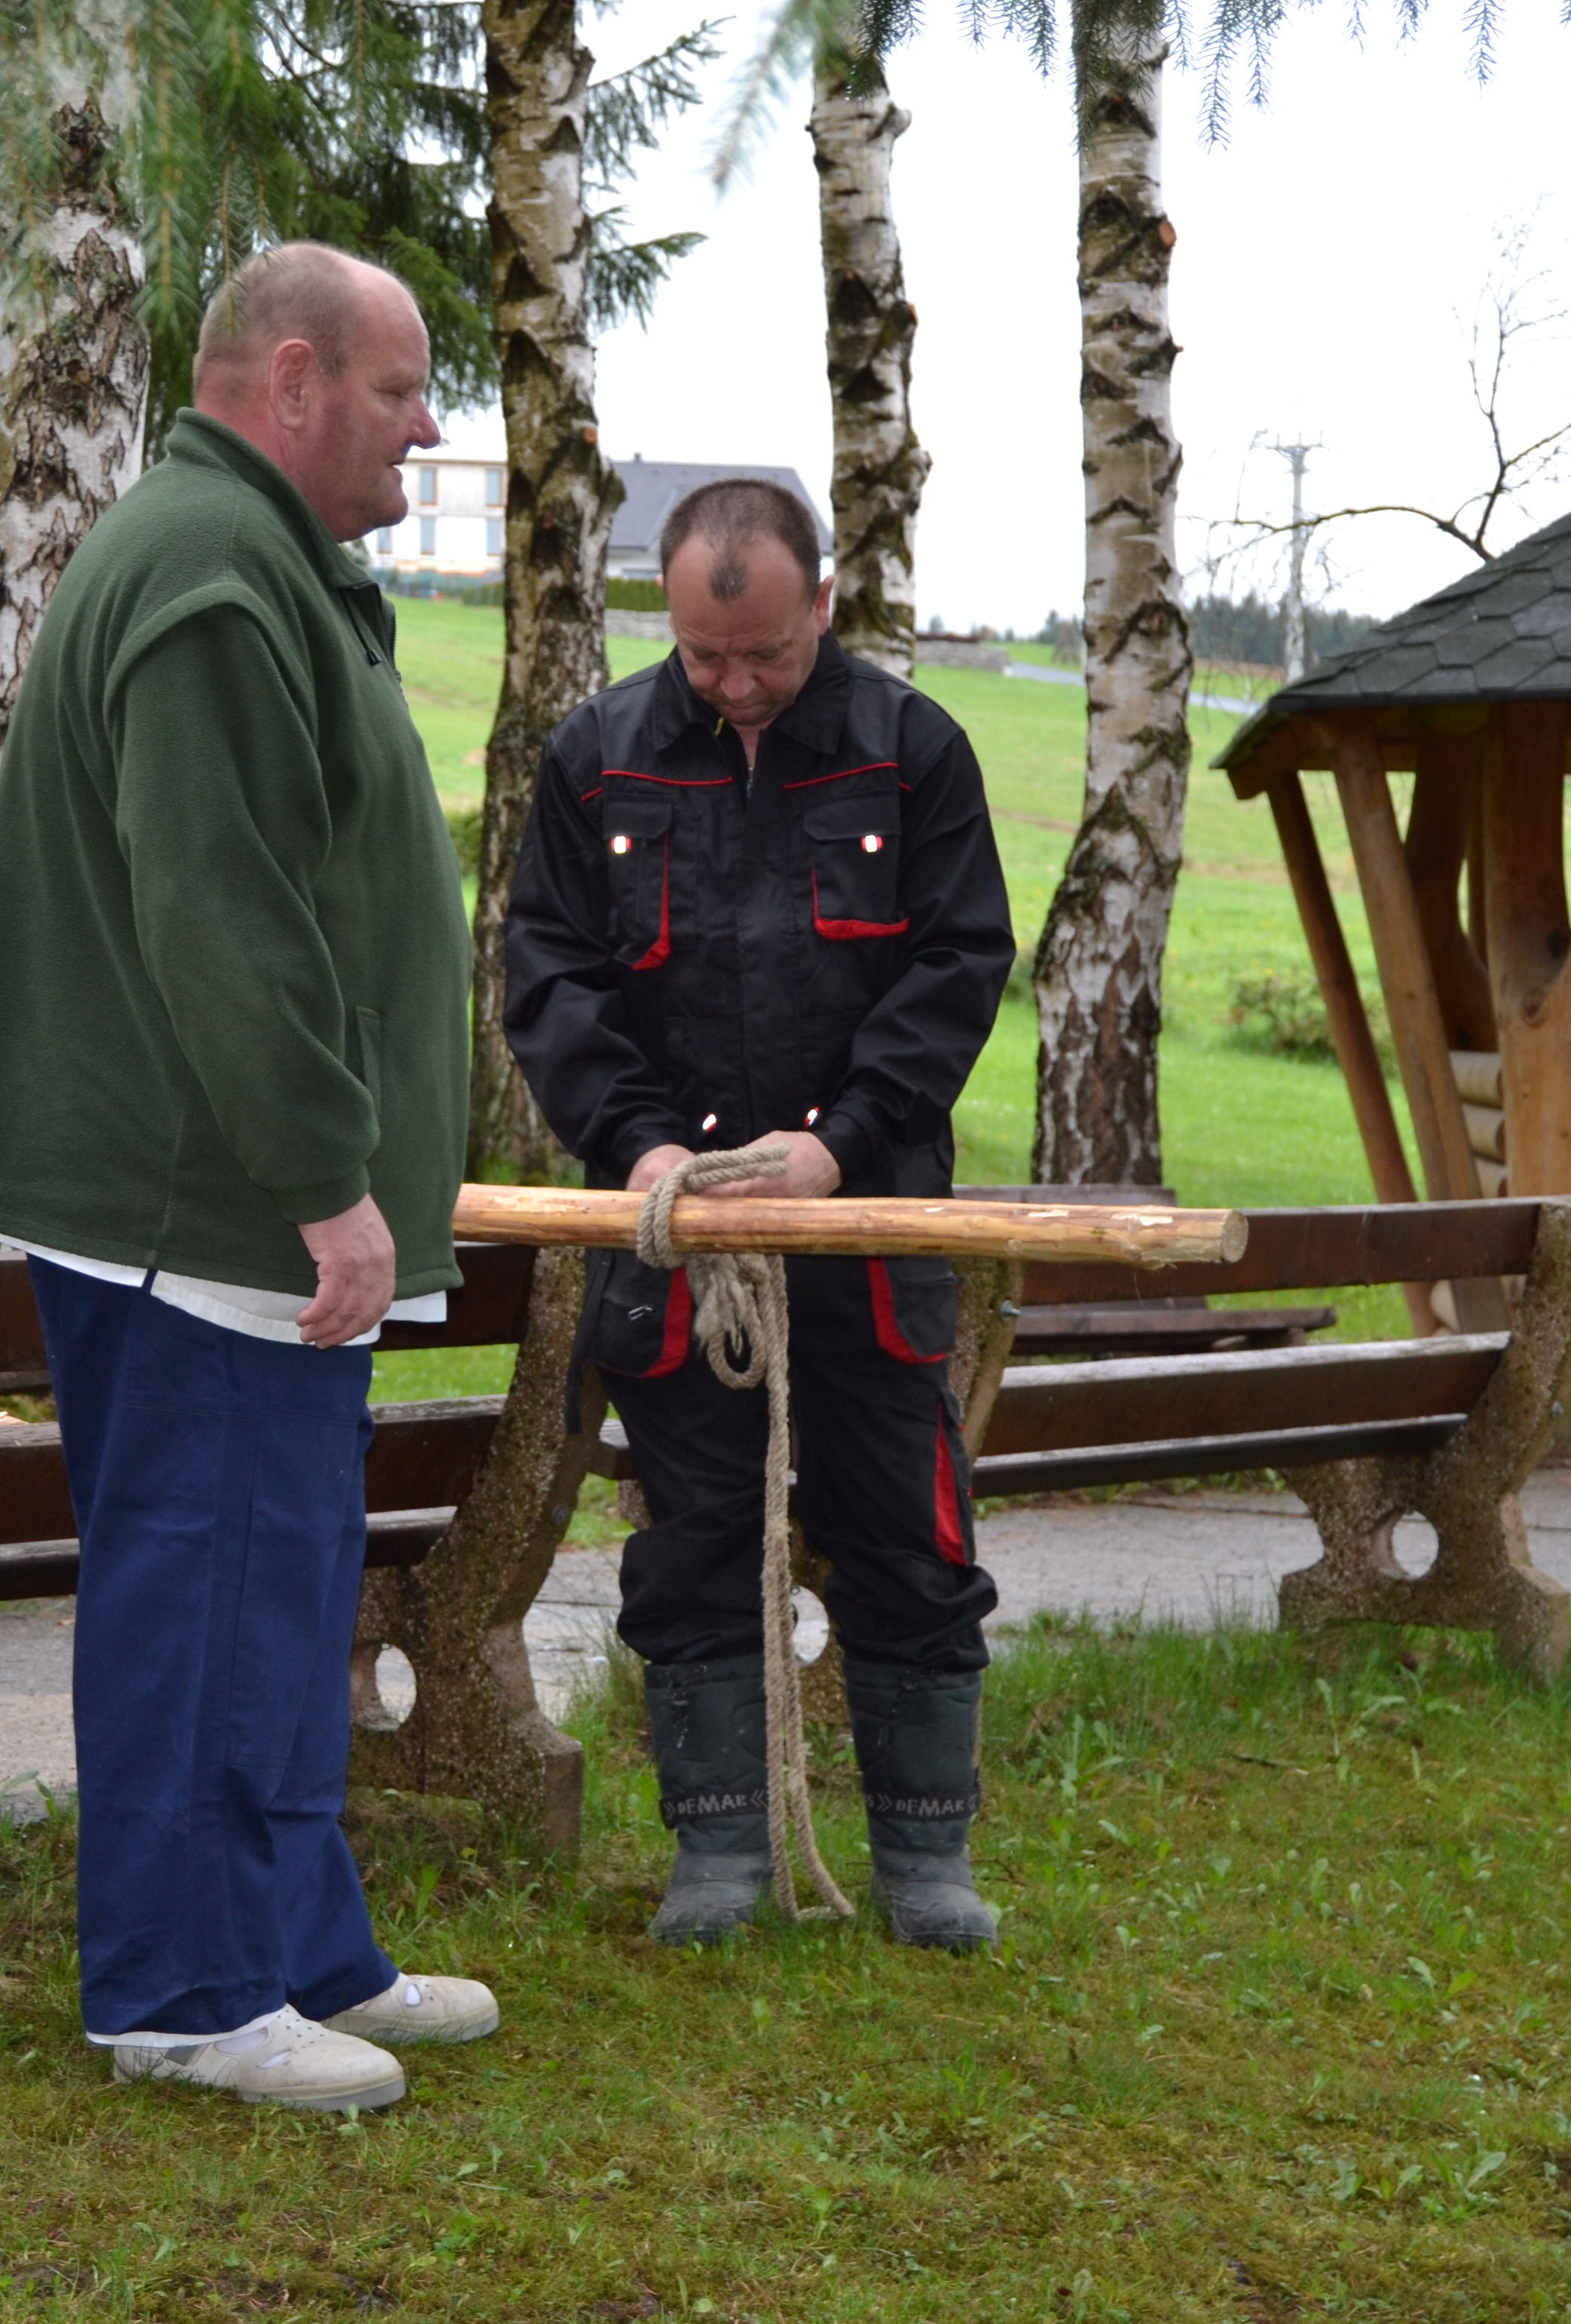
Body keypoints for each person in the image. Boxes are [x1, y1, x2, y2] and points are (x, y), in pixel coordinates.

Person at [0, 242, 495, 2111]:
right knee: (212, 1583)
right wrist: (326, 1176)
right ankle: (181, 1991)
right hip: (205, 1206)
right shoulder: (213, 571)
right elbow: (221, 911)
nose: (429, 426)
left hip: (236, 1209)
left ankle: (298, 1950)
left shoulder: (253, 552)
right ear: (293, 381)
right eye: (403, 389)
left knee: (283, 1584)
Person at [503, 477, 1016, 1950]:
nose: (734, 686)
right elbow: (549, 972)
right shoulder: (596, 756)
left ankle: (925, 1862)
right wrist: (638, 1146)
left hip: (868, 1233)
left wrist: (839, 1147)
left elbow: (959, 965)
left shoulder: (915, 751)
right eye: (706, 656)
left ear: (824, 608)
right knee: (694, 1542)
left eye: (767, 657)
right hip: (678, 1242)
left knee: (909, 1535)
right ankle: (719, 1853)